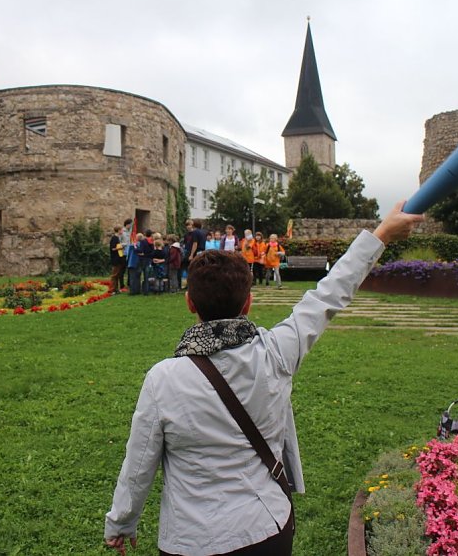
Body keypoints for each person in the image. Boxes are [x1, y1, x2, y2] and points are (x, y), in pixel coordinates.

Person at [104, 203, 424, 556]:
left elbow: (139, 464)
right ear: (248, 303)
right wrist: (381, 234)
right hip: (265, 528)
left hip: (192, 538)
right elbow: (329, 295)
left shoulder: (162, 379)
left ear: (189, 303)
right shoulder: (277, 352)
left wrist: (122, 522)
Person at [109, 225, 126, 294]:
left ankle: (116, 289)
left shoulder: (118, 238)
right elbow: (113, 249)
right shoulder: (114, 238)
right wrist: (120, 247)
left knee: (117, 274)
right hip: (115, 259)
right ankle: (112, 289)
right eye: (121, 230)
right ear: (118, 230)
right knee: (114, 275)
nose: (122, 231)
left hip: (119, 258)